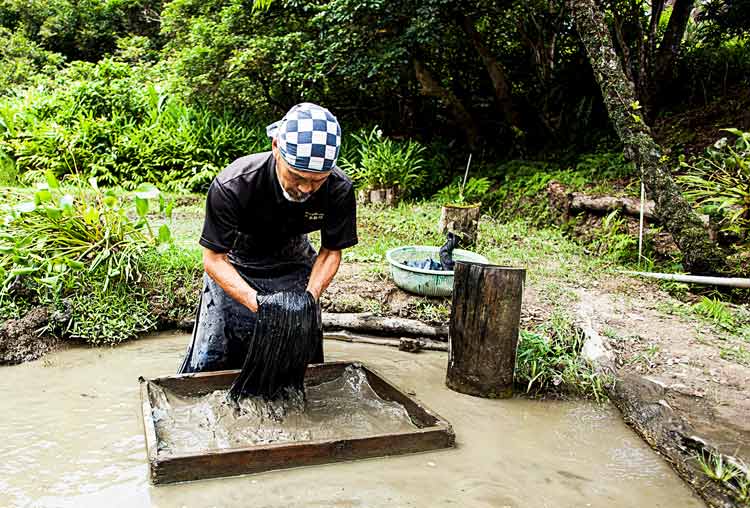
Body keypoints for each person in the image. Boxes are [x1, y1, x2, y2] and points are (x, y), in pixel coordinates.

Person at [179, 103, 357, 373]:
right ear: (276, 148)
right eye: (297, 176)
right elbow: (214, 259)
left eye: (317, 181)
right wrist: (259, 305)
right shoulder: (234, 185)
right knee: (217, 354)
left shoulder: (339, 189)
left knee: (298, 352)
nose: (306, 189)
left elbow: (331, 252)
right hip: (236, 262)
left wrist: (308, 299)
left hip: (295, 260)